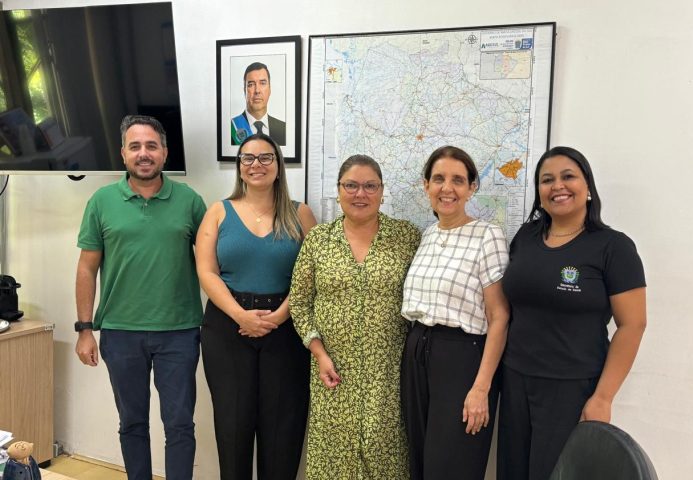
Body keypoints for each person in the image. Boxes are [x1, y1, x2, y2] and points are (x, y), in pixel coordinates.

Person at [497, 146, 647, 480]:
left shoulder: (614, 247)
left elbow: (633, 324)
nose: (558, 186)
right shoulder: (526, 237)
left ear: (588, 186)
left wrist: (603, 398)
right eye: (547, 180)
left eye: (568, 177)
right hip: (515, 379)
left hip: (572, 388)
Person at [75, 114, 206, 480]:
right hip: (120, 332)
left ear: (164, 152)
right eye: (135, 146)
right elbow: (86, 268)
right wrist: (85, 329)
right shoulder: (101, 201)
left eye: (151, 146)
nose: (143, 153)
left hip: (179, 332)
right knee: (132, 423)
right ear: (123, 154)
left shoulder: (190, 201)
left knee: (180, 424)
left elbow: (212, 262)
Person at [289, 155, 421, 479]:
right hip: (332, 372)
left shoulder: (406, 237)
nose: (360, 194)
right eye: (351, 185)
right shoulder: (319, 240)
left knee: (386, 458)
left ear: (382, 191)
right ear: (338, 191)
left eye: (370, 186)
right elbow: (300, 302)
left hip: (387, 375)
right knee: (334, 463)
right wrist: (319, 353)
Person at [196, 133, 315, 480]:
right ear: (239, 167)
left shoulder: (301, 214)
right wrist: (240, 315)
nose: (256, 164)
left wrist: (280, 316)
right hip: (227, 327)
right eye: (248, 158)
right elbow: (206, 271)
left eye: (265, 157)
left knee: (283, 428)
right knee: (233, 424)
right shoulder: (218, 212)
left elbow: (313, 274)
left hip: (287, 328)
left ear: (278, 165)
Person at [401, 146, 511, 480]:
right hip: (417, 352)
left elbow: (499, 316)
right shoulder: (427, 235)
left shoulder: (488, 235)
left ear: (471, 187)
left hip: (462, 358)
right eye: (438, 179)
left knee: (450, 465)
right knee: (420, 462)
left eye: (458, 180)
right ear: (426, 185)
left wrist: (481, 388)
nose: (446, 188)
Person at [231, 62, 286, 146]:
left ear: (270, 89)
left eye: (262, 83)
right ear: (244, 91)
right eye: (251, 84)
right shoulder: (231, 128)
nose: (257, 91)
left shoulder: (283, 129)